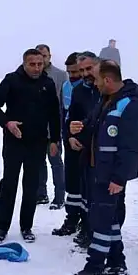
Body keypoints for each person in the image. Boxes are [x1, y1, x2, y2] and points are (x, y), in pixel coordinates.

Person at [64, 60, 138, 275]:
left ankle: (94, 267)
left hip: (111, 174)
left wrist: (120, 177)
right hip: (97, 170)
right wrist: (78, 129)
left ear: (107, 80)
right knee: (109, 218)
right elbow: (93, 127)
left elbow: (130, 146)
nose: (95, 83)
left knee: (101, 221)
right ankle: (117, 261)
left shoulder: (129, 104)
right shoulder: (106, 99)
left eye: (98, 79)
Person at [0, 48, 61, 244]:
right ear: (24, 63)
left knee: (31, 185)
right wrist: (7, 123)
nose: (37, 68)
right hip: (14, 141)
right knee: (9, 183)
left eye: (40, 64)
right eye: (32, 64)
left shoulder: (47, 83)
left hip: (37, 142)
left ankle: (26, 226)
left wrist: (54, 139)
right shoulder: (12, 80)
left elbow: (54, 114)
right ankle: (1, 227)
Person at [52, 51, 98, 237]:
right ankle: (72, 219)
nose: (77, 75)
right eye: (72, 72)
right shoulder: (73, 89)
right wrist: (69, 136)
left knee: (89, 188)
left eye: (84, 70)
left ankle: (88, 225)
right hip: (73, 143)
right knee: (72, 183)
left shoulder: (104, 88)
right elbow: (68, 115)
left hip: (93, 147)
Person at [35, 44, 67, 207]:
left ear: (49, 56)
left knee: (56, 162)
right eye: (39, 56)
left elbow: (64, 103)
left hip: (54, 128)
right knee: (39, 162)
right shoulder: (31, 75)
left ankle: (60, 196)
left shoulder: (60, 75)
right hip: (36, 130)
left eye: (45, 56)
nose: (42, 59)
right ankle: (41, 194)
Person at [50, 52, 81, 212]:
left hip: (85, 138)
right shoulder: (66, 86)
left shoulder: (91, 87)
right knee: (71, 175)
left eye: (75, 72)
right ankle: (72, 212)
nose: (72, 75)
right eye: (69, 72)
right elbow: (62, 111)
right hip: (68, 137)